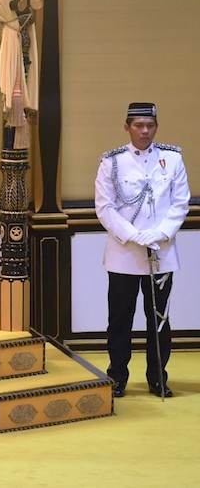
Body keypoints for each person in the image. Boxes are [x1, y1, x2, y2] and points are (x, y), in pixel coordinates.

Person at [94, 102, 189, 398]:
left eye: (150, 126)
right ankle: (117, 376)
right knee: (120, 319)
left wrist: (160, 233)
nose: (145, 131)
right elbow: (105, 207)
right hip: (124, 254)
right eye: (138, 125)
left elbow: (180, 203)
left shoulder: (172, 159)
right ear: (127, 127)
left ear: (156, 127)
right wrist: (134, 235)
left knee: (159, 320)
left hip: (161, 253)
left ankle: (157, 378)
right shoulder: (112, 162)